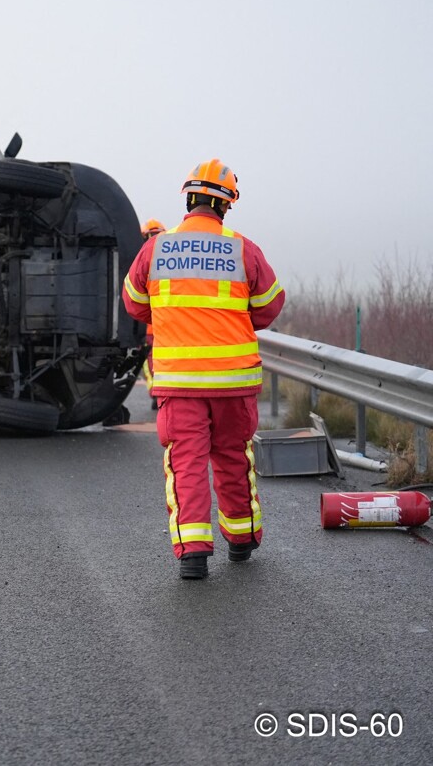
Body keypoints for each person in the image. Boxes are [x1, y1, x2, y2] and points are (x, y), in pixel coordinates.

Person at [121, 160, 285, 580]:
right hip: (234, 382)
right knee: (233, 456)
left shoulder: (156, 248)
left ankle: (193, 554)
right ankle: (242, 540)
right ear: (226, 204)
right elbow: (269, 307)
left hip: (180, 384)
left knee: (186, 462)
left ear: (189, 198)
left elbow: (135, 303)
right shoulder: (242, 248)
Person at [139, 218, 166, 409]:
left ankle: (157, 394)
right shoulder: (172, 259)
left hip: (152, 325)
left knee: (151, 362)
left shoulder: (142, 258)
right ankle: (162, 394)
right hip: (167, 325)